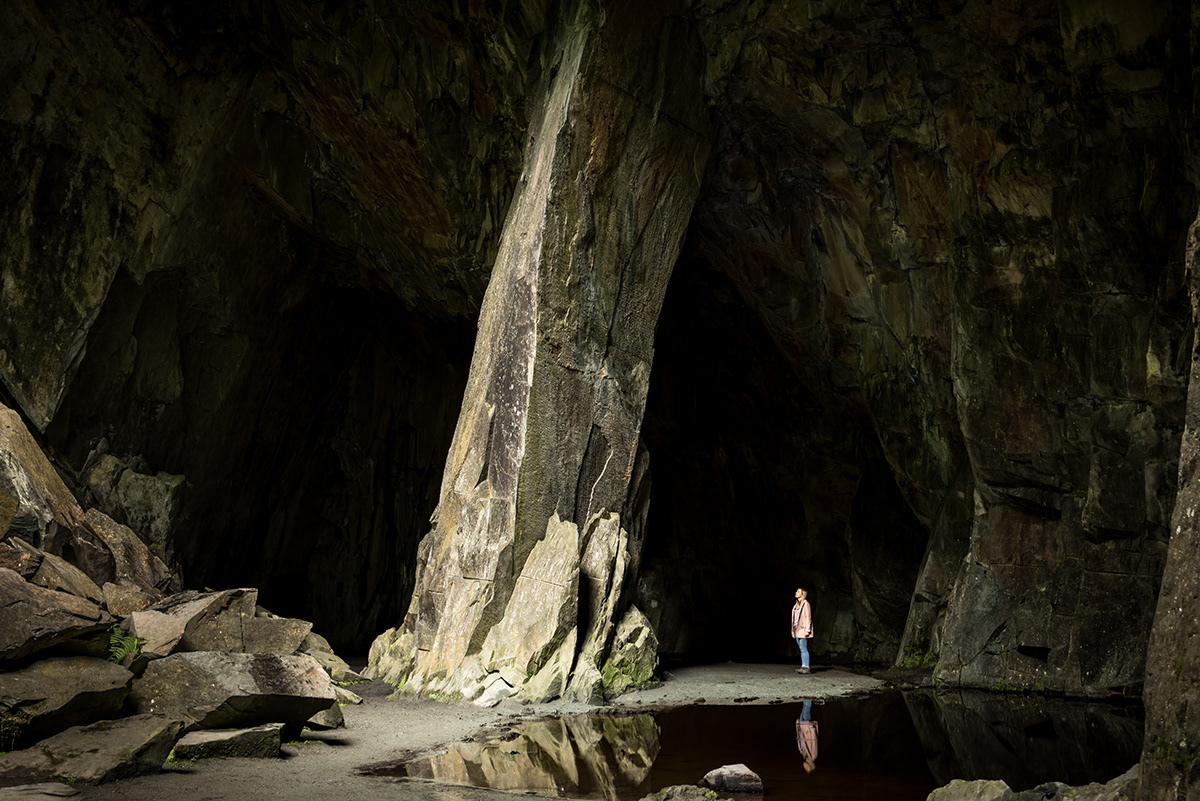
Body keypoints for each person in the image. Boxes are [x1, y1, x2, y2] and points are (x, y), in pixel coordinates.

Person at [791, 587, 812, 674]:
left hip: (803, 630)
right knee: (801, 648)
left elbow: (808, 617)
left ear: (802, 594)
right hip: (797, 629)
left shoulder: (805, 604)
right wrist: (793, 631)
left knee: (803, 648)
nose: (796, 592)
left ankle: (806, 667)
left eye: (798, 591)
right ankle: (803, 666)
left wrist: (807, 630)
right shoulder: (796, 605)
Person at [795, 699, 818, 773]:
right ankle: (807, 697)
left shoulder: (803, 753)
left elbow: (800, 739)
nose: (804, 766)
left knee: (804, 709)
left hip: (802, 729)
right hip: (808, 729)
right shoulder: (813, 755)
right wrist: (812, 730)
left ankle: (806, 698)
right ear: (810, 765)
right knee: (806, 709)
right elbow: (814, 741)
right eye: (806, 768)